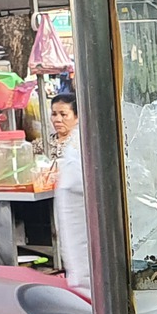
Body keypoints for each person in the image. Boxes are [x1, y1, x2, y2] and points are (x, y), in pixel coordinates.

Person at [49, 92, 89, 289]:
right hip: (78, 238)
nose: (57, 120)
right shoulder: (75, 145)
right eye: (54, 114)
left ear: (77, 116)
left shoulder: (80, 142)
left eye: (63, 114)